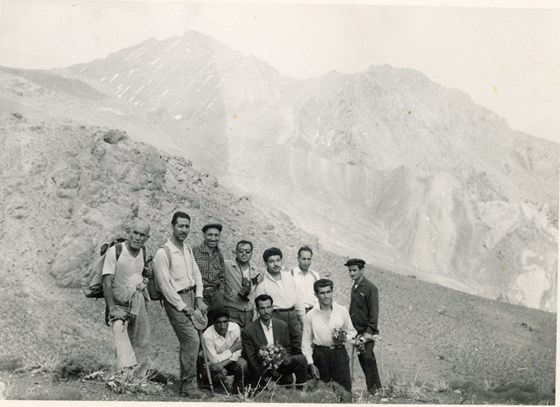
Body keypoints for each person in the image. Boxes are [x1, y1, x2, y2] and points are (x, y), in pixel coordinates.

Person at [153, 211, 207, 398]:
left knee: (188, 343)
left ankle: (186, 386)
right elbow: (165, 286)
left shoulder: (187, 249)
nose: (184, 230)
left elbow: (197, 274)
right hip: (175, 301)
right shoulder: (163, 252)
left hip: (191, 297)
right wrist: (185, 308)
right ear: (172, 226)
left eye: (187, 226)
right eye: (180, 226)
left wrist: (199, 297)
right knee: (192, 340)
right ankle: (190, 385)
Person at [102, 220, 151, 375]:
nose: (137, 237)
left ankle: (138, 377)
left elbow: (138, 273)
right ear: (129, 233)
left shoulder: (143, 250)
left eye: (142, 235)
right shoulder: (116, 251)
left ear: (147, 238)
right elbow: (106, 283)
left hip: (138, 302)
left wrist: (146, 275)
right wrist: (112, 309)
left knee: (141, 339)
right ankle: (124, 374)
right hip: (119, 303)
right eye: (135, 233)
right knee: (119, 332)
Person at [302, 279, 356, 393]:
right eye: (322, 293)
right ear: (316, 295)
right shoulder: (310, 315)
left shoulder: (342, 311)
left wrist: (344, 338)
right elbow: (306, 343)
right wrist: (311, 364)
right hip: (320, 355)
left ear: (332, 292)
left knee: (344, 390)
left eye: (328, 292)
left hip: (339, 354)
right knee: (321, 392)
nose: (326, 296)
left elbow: (352, 331)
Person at [241, 294, 307, 388]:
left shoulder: (282, 325)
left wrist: (282, 358)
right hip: (262, 369)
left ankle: (301, 389)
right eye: (262, 308)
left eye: (268, 307)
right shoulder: (248, 330)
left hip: (280, 365)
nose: (266, 311)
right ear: (257, 310)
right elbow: (252, 360)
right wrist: (266, 380)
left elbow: (287, 348)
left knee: (301, 359)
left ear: (272, 308)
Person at [254, 247, 305, 355]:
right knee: (281, 350)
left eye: (278, 260)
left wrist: (303, 320)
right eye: (271, 261)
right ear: (266, 263)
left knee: (301, 347)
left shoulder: (289, 277)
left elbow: (298, 298)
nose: (276, 264)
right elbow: (260, 308)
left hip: (292, 316)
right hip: (276, 317)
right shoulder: (262, 283)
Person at [345, 258, 382, 394]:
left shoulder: (370, 288)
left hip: (367, 332)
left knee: (368, 358)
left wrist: (369, 332)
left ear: (362, 270)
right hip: (356, 332)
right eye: (350, 271)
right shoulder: (354, 287)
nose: (351, 273)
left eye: (354, 270)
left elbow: (374, 312)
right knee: (363, 359)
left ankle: (376, 390)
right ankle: (373, 389)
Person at [201, 307, 249, 393]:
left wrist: (223, 363)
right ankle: (216, 386)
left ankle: (237, 389)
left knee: (242, 364)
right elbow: (214, 360)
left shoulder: (235, 328)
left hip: (228, 362)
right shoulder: (207, 335)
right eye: (218, 323)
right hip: (213, 365)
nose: (222, 326)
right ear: (213, 322)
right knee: (217, 372)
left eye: (225, 322)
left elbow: (238, 351)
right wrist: (231, 349)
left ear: (228, 321)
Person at [224, 240, 263, 327]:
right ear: (236, 252)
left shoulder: (255, 270)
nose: (244, 253)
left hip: (248, 312)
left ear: (251, 253)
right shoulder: (227, 265)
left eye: (247, 251)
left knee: (246, 338)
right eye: (241, 251)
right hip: (232, 309)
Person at [193, 223, 226, 311]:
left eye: (216, 235)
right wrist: (196, 297)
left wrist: (221, 294)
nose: (213, 238)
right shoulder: (194, 252)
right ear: (204, 235)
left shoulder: (219, 254)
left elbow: (222, 276)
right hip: (200, 295)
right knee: (201, 323)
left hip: (216, 295)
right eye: (210, 235)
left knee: (217, 322)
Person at [291, 246, 320, 313]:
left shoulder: (315, 275)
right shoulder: (291, 275)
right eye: (303, 259)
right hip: (298, 313)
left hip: (315, 311)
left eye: (309, 259)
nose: (306, 262)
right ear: (298, 259)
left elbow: (319, 293)